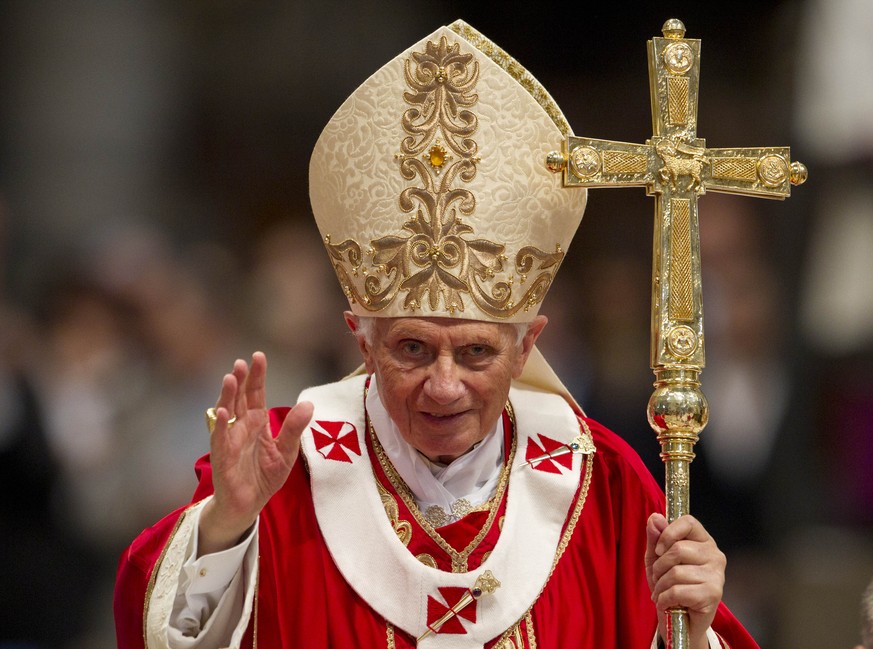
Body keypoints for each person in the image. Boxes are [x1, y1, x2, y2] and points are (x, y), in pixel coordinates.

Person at [114, 20, 760, 649]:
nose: (444, 385)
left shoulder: (604, 483)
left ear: (527, 344)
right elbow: (162, 629)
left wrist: (693, 627)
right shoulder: (281, 469)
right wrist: (226, 526)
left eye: (476, 351)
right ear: (361, 341)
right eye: (412, 348)